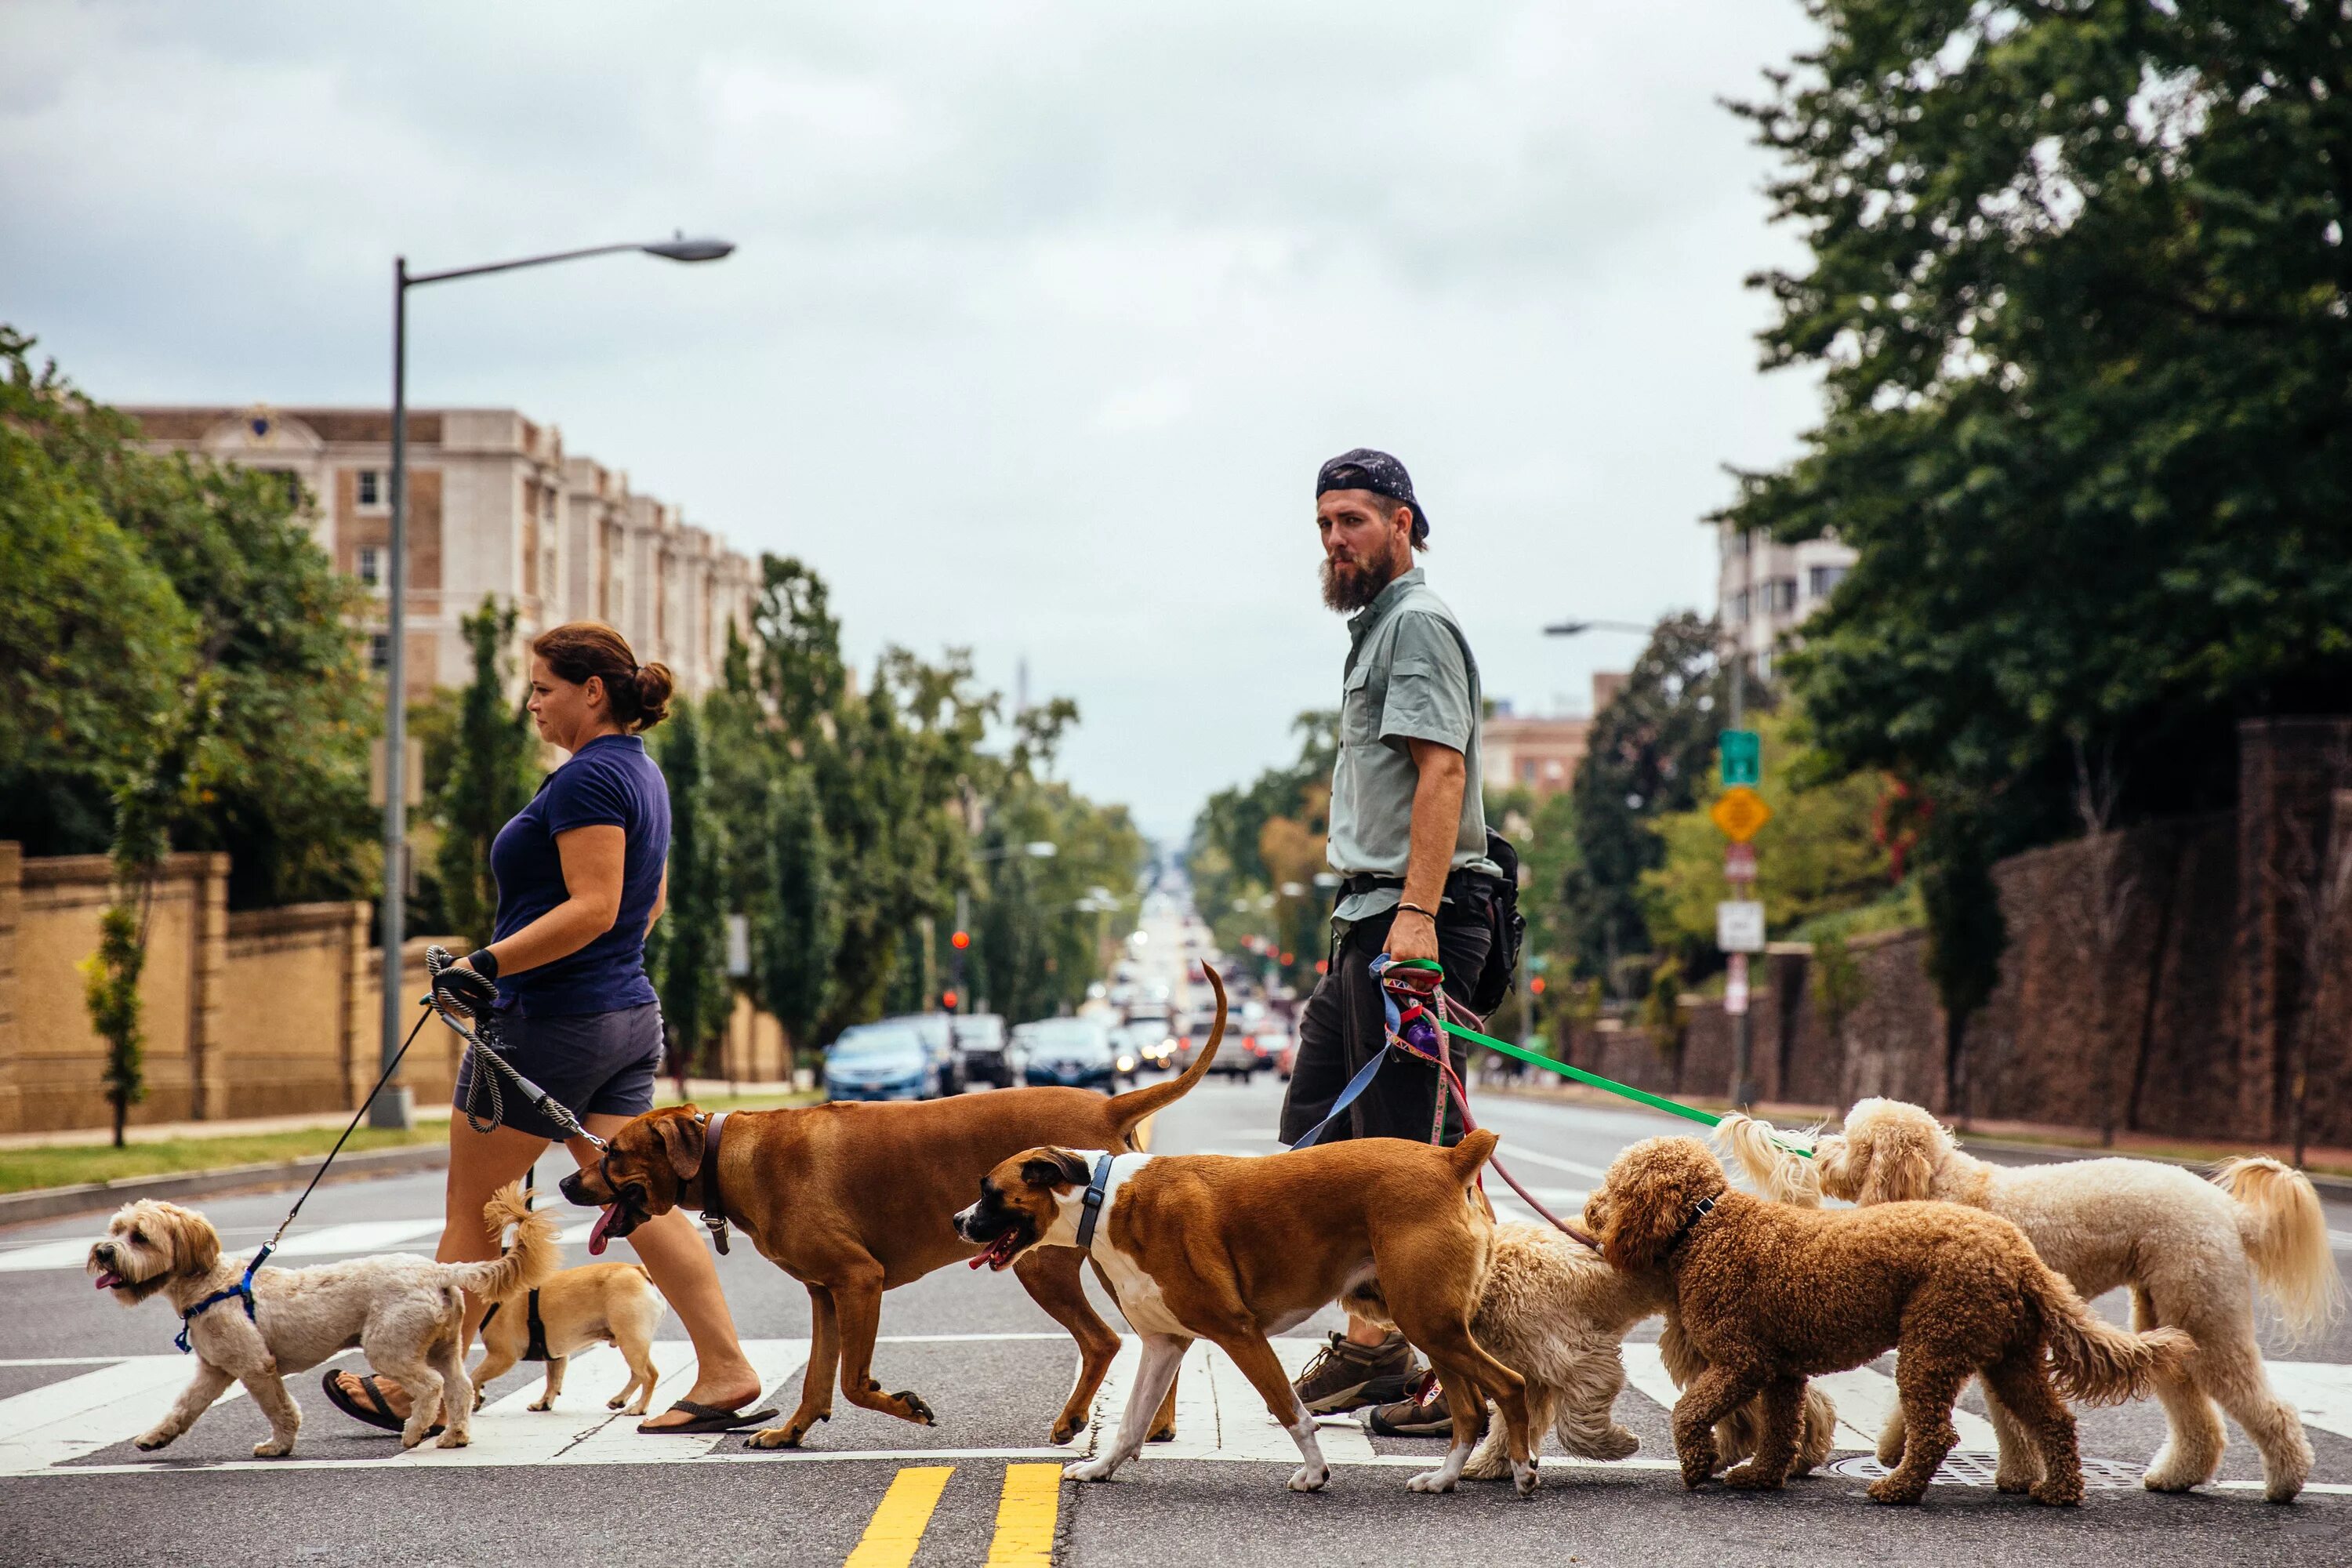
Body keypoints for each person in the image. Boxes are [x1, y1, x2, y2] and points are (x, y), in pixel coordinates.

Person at [326, 622, 773, 1436]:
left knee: (474, 1211)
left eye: (543, 687)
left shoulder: (586, 781)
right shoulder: (642, 775)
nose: (532, 701)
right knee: (645, 1200)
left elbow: (596, 905)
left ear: (591, 691)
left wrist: (488, 963)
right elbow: (648, 904)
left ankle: (412, 1385)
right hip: (623, 1015)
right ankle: (726, 1368)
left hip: (551, 1022)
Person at [1279, 449, 1507, 1438]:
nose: (1336, 539)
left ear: (1404, 523)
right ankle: (1376, 1343)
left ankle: (1465, 1374)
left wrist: (1413, 922)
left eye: (1355, 521)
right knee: (1322, 1146)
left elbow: (1440, 776)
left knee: (1416, 1167)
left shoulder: (1414, 623)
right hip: (1369, 916)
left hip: (1415, 916)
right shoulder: (1375, 632)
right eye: (1325, 522)